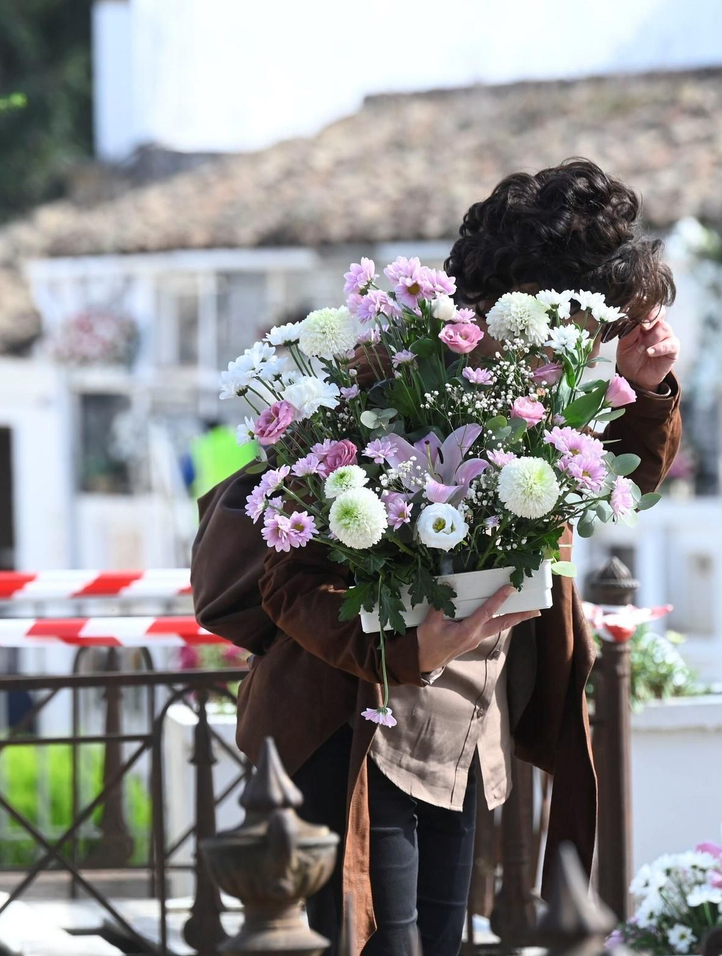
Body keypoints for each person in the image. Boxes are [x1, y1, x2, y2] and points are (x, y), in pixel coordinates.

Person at [191, 158, 684, 956]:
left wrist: (646, 386)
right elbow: (288, 577)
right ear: (535, 307)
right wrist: (404, 646)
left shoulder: (540, 391)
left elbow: (619, 479)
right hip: (351, 734)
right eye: (597, 323)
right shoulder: (397, 380)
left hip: (462, 742)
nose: (599, 342)